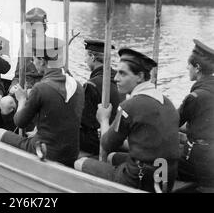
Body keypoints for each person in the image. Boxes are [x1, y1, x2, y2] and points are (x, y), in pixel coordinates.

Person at [75, 48, 179, 192]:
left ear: (140, 76)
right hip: (166, 177)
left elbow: (106, 144)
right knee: (111, 157)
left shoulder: (130, 106)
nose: (116, 78)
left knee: (80, 163)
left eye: (122, 73)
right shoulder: (166, 102)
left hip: (140, 179)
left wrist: (104, 120)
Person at [0, 37, 85, 167]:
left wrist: (22, 99)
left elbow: (19, 122)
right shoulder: (78, 86)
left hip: (44, 151)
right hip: (71, 154)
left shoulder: (41, 88)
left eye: (34, 58)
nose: (32, 62)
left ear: (42, 61)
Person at [0, 7, 47, 131]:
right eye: (28, 29)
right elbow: (17, 75)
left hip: (42, 94)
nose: (29, 32)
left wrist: (32, 91)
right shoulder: (24, 48)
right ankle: (12, 135)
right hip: (23, 90)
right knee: (5, 102)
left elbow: (57, 78)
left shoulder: (52, 48)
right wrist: (13, 87)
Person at [177, 39, 214, 189]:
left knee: (158, 161)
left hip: (199, 164)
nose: (187, 68)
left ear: (197, 67)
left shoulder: (195, 97)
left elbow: (173, 122)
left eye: (189, 65)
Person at [80, 39, 123, 155]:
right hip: (119, 136)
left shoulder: (91, 85)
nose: (85, 60)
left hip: (99, 141)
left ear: (92, 57)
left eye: (86, 57)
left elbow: (85, 122)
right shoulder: (120, 80)